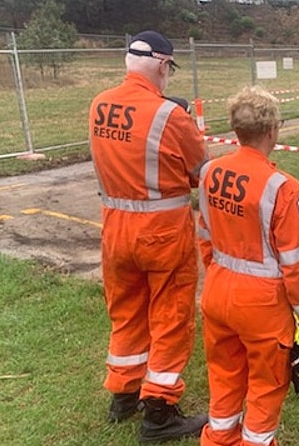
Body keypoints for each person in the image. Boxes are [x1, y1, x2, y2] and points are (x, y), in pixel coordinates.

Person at [88, 30, 209, 443]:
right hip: (162, 236)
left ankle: (123, 395)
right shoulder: (171, 116)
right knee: (171, 318)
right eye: (169, 70)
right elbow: (198, 173)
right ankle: (160, 412)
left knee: (126, 313)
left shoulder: (99, 105)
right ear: (162, 64)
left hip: (115, 232)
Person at [197, 86, 299, 446]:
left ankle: (217, 439)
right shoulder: (283, 187)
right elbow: (296, 261)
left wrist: (219, 273)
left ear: (237, 130)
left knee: (224, 375)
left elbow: (204, 234)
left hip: (217, 290)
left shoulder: (210, 173)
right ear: (273, 131)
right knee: (266, 385)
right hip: (262, 304)